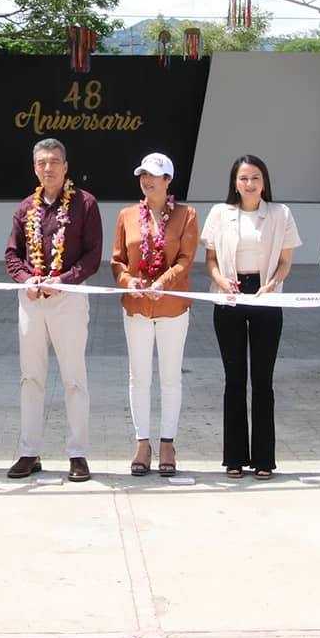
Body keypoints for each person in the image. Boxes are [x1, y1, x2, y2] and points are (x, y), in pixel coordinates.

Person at [3, 137, 104, 482]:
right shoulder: (24, 208)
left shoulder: (85, 204)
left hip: (69, 298)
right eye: (42, 162)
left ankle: (78, 454)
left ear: (66, 166)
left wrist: (63, 279)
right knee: (31, 377)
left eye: (55, 162)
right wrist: (25, 278)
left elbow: (92, 255)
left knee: (74, 377)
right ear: (35, 168)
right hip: (31, 301)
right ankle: (29, 452)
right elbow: (12, 254)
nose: (49, 168)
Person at [202, 155, 300, 480]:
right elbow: (211, 260)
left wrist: (274, 283)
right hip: (229, 296)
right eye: (243, 178)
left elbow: (286, 260)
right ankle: (233, 458)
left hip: (266, 296)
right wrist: (220, 281)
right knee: (234, 380)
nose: (249, 184)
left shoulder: (280, 213)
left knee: (262, 380)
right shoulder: (220, 213)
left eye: (255, 177)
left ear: (264, 181)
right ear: (234, 182)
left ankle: (263, 459)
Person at [111, 152, 199, 478]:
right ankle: (141, 443)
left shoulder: (187, 216)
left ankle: (167, 443)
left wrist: (163, 283)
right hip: (136, 307)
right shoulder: (127, 215)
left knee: (170, 376)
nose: (147, 180)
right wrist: (128, 280)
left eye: (154, 175)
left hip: (172, 306)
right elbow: (118, 260)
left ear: (168, 180)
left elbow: (186, 259)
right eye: (143, 175)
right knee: (138, 376)